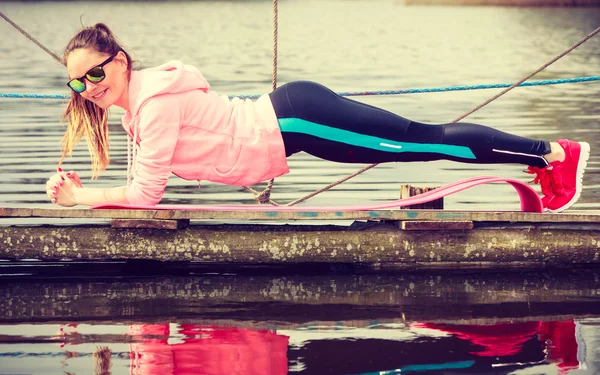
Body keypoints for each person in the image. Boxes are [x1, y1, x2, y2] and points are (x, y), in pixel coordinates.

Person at [46, 23, 590, 213]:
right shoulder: (139, 110)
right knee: (420, 142)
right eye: (77, 82)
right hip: (294, 123)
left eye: (95, 74)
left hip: (296, 121)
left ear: (118, 60)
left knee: (420, 143)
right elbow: (144, 185)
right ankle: (545, 157)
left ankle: (553, 154)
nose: (88, 89)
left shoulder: (154, 104)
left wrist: (80, 199)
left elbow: (145, 196)